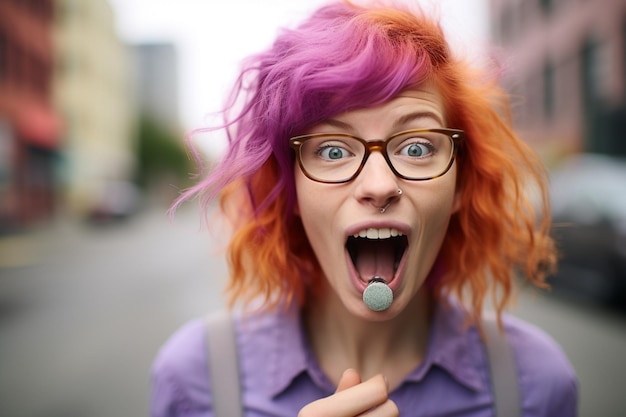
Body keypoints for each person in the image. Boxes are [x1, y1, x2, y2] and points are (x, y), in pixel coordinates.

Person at [150, 1, 578, 416]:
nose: (379, 186)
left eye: (417, 146)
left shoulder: (534, 387)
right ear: (290, 191)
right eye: (333, 150)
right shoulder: (195, 380)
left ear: (461, 184)